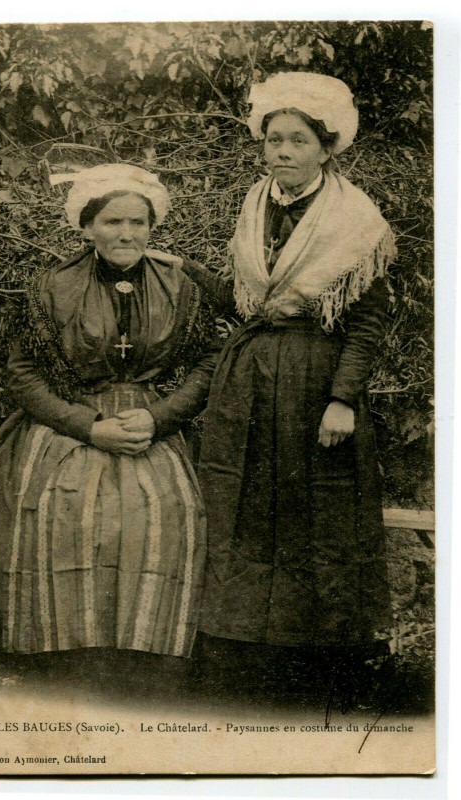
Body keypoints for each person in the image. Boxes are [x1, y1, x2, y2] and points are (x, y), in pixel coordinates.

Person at [179, 72, 397, 694]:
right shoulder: (256, 205)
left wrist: (342, 400)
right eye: (273, 139)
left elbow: (368, 321)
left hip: (314, 384)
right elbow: (249, 304)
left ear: (327, 149)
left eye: (298, 141)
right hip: (249, 384)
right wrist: (188, 269)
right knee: (245, 506)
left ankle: (324, 664)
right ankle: (244, 654)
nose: (282, 151)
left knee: (319, 514)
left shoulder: (355, 219)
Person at [0, 164, 220, 691]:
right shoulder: (53, 285)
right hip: (73, 417)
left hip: (151, 417)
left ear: (153, 227)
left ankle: (150, 659)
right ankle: (65, 657)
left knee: (165, 507)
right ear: (87, 228)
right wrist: (87, 426)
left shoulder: (181, 285)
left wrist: (160, 415)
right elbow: (23, 373)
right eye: (112, 222)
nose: (126, 234)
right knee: (67, 506)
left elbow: (209, 363)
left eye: (138, 222)